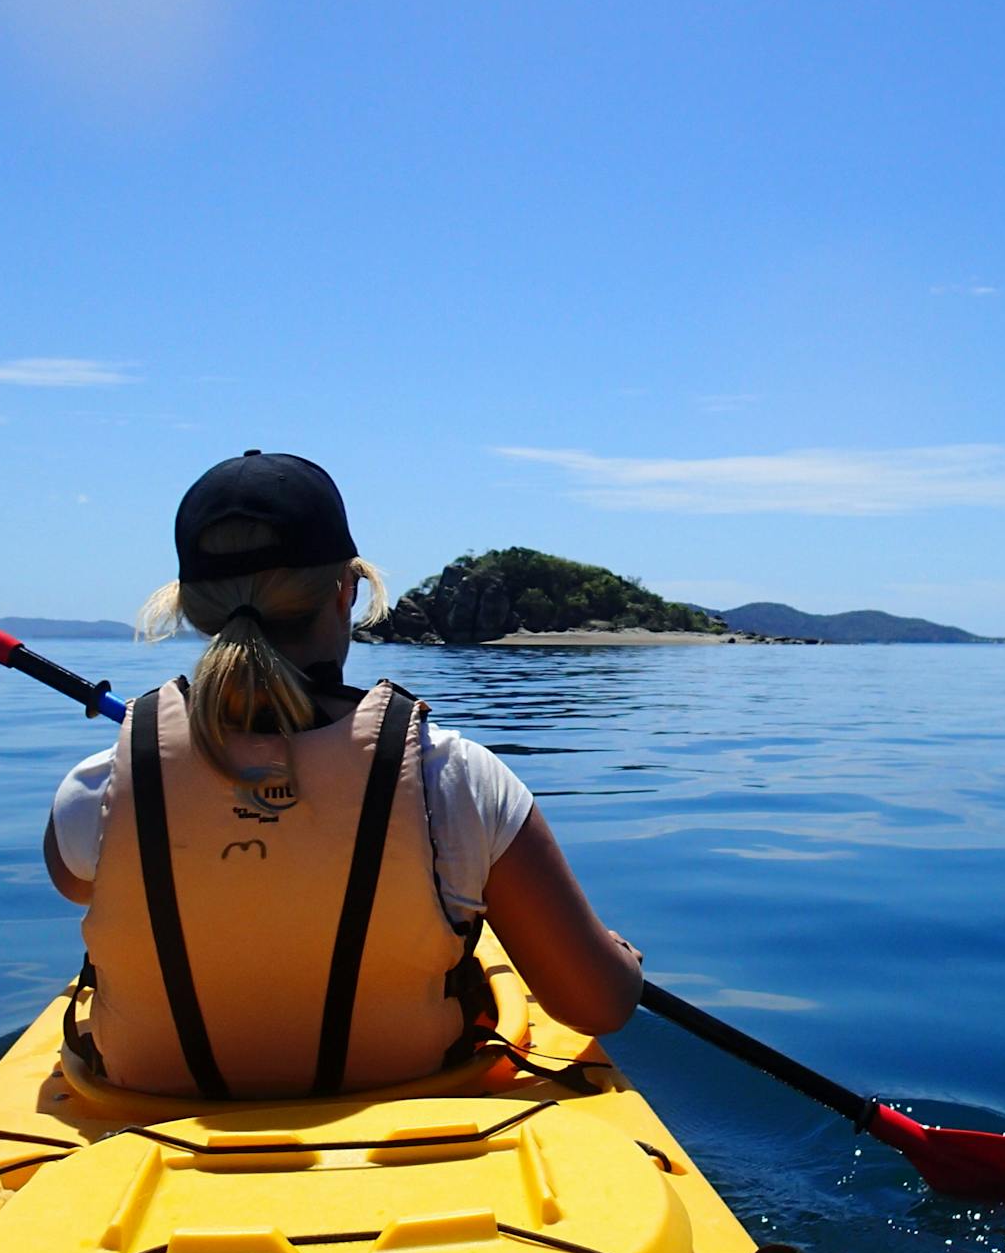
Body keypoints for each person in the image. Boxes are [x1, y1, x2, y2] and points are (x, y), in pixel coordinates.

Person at [42, 451, 642, 1100]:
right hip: (413, 1130)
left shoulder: (98, 788)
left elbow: (78, 884)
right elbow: (596, 1006)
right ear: (344, 590)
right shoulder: (458, 779)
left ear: (193, 608)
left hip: (150, 1120)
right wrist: (622, 962)